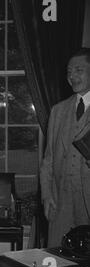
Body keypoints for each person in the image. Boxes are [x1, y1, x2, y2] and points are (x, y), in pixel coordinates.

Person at [40, 48, 90, 247]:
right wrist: (46, 195)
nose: (72, 76)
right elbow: (48, 159)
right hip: (60, 202)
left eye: (79, 70)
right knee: (59, 260)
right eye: (69, 72)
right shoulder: (58, 111)